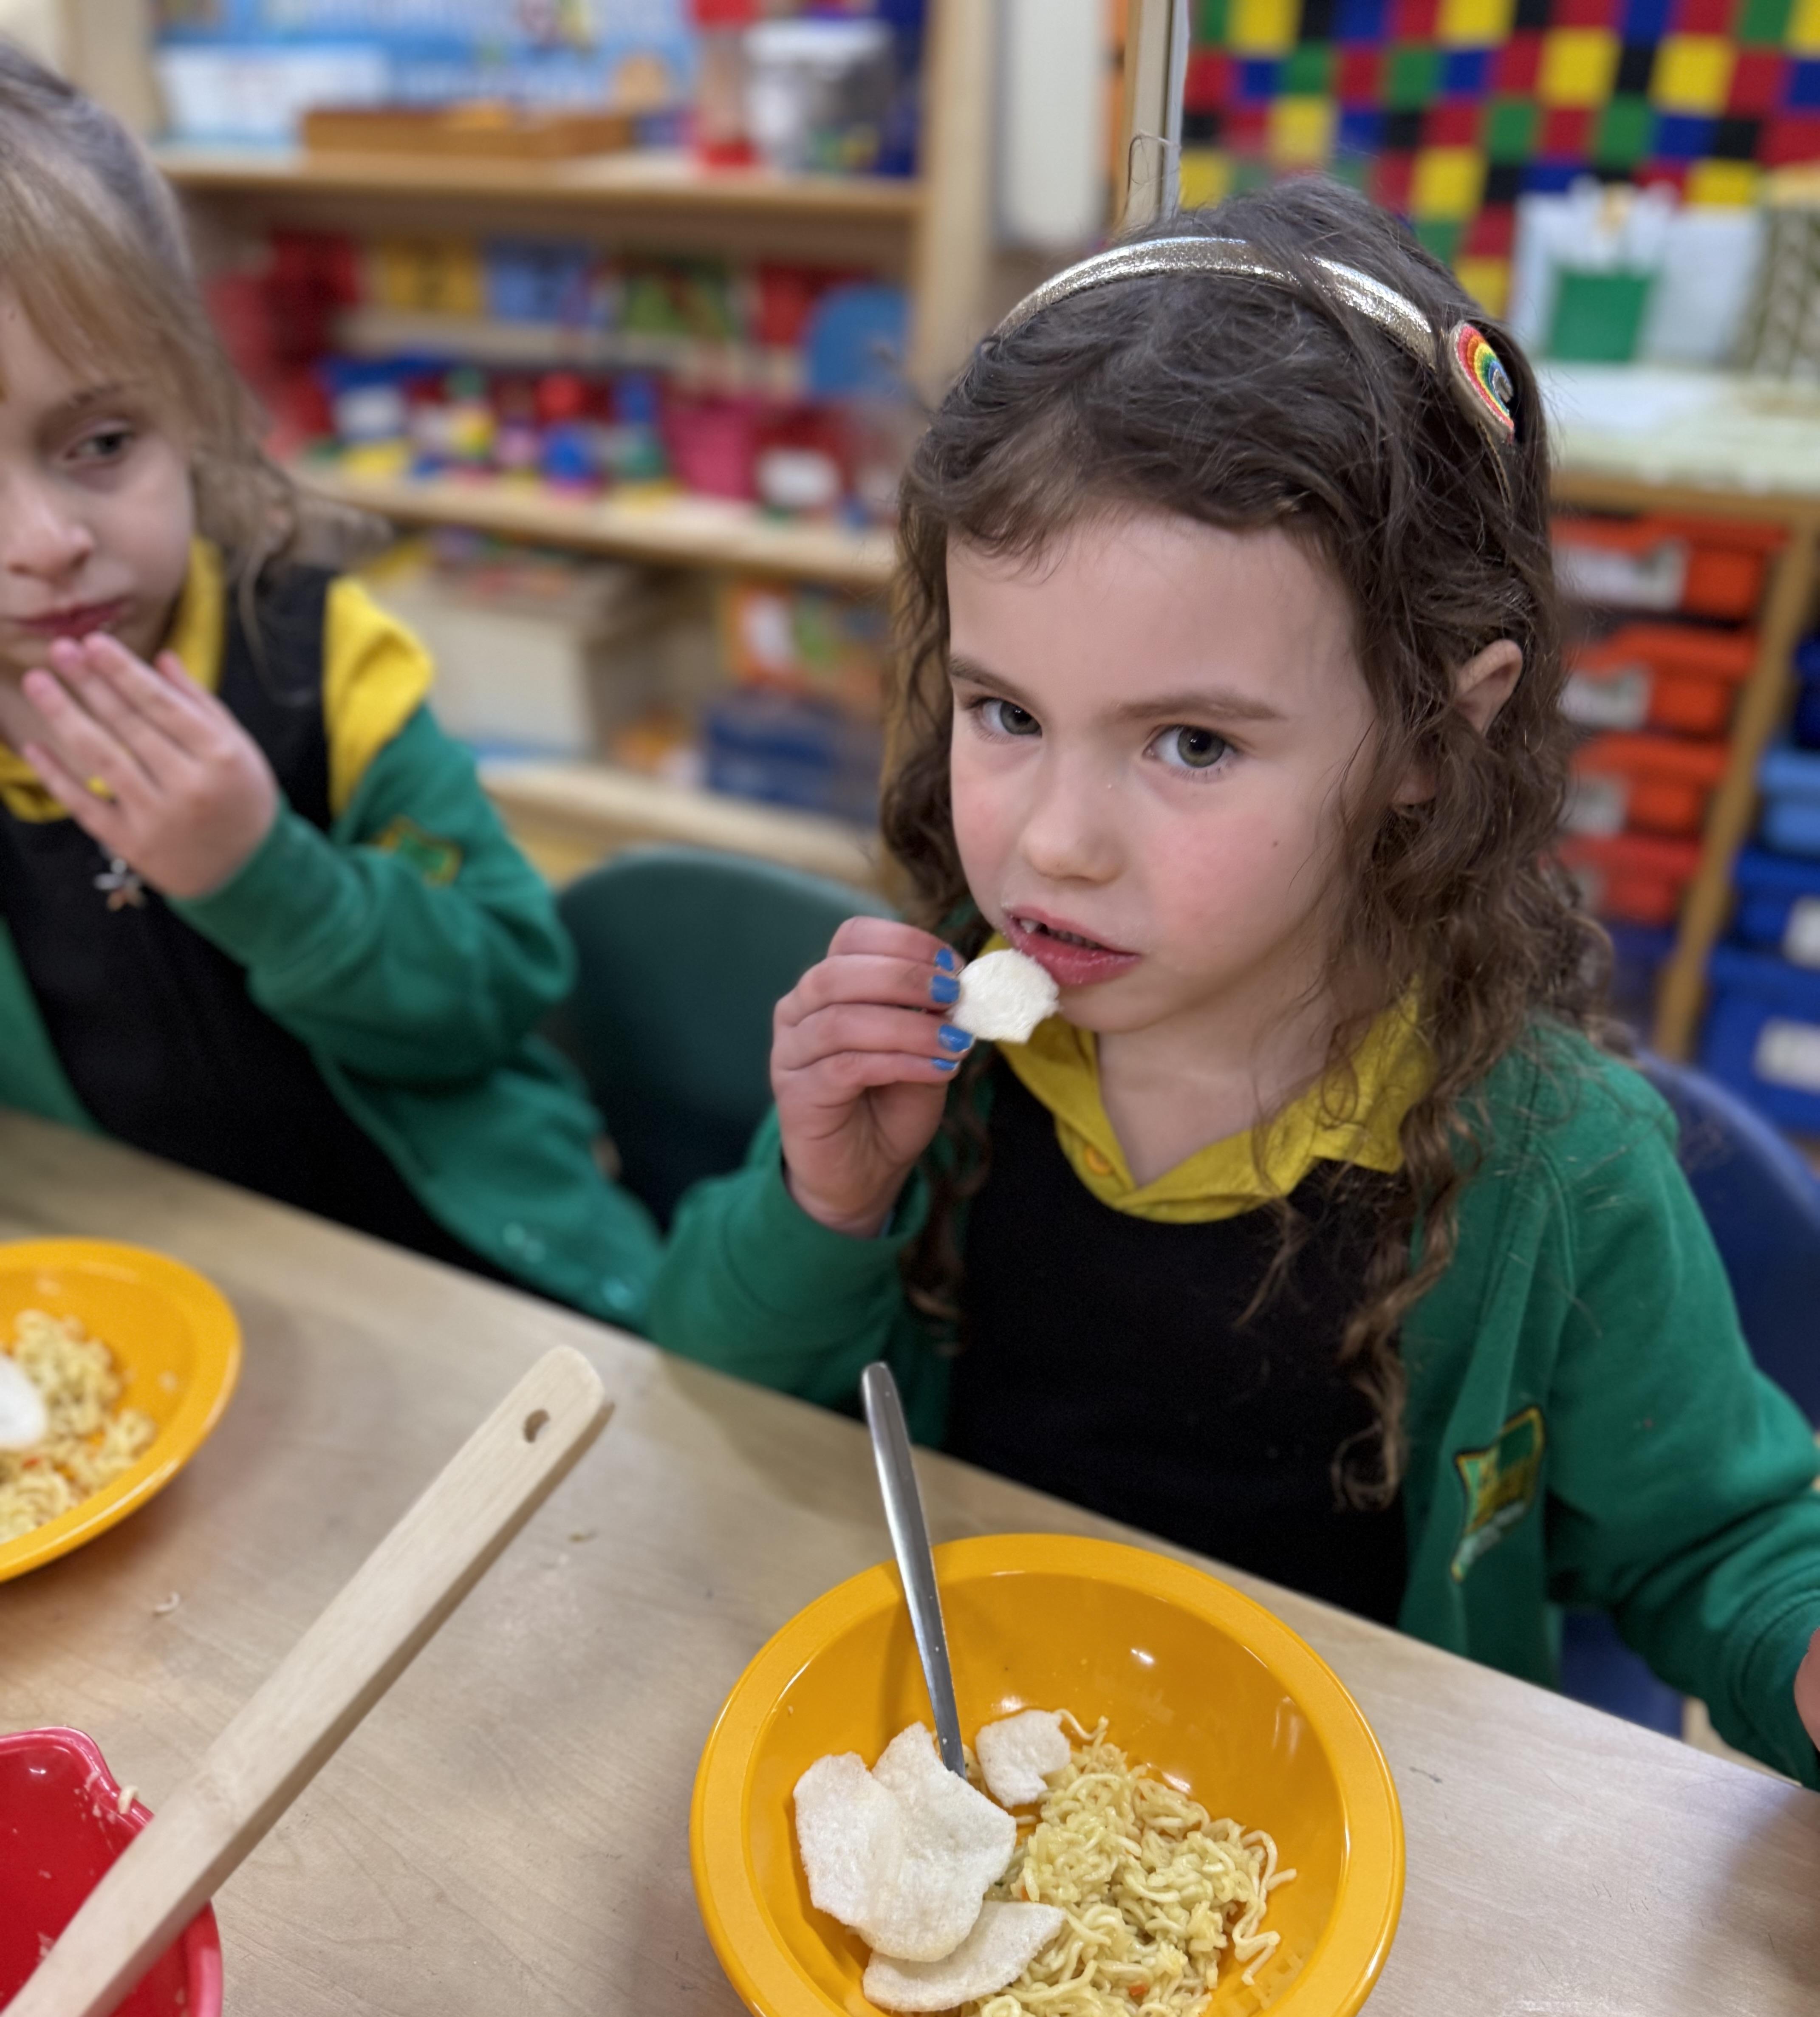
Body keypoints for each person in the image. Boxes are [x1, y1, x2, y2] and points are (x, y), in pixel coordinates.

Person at [651, 180, 1820, 1782]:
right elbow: (713, 1386)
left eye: (1191, 744)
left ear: (1434, 732)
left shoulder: (1558, 1169)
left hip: (1353, 1831)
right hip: (967, 1762)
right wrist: (825, 1207)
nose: (1053, 844)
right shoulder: (945, 1054)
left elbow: (1719, 1550)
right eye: (1004, 714)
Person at [0, 48, 659, 1325]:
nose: (45, 542)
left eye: (102, 444)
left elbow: (503, 983)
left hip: (461, 1280)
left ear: (193, 405)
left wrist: (265, 876)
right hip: (154, 1306)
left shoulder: (324, 661)